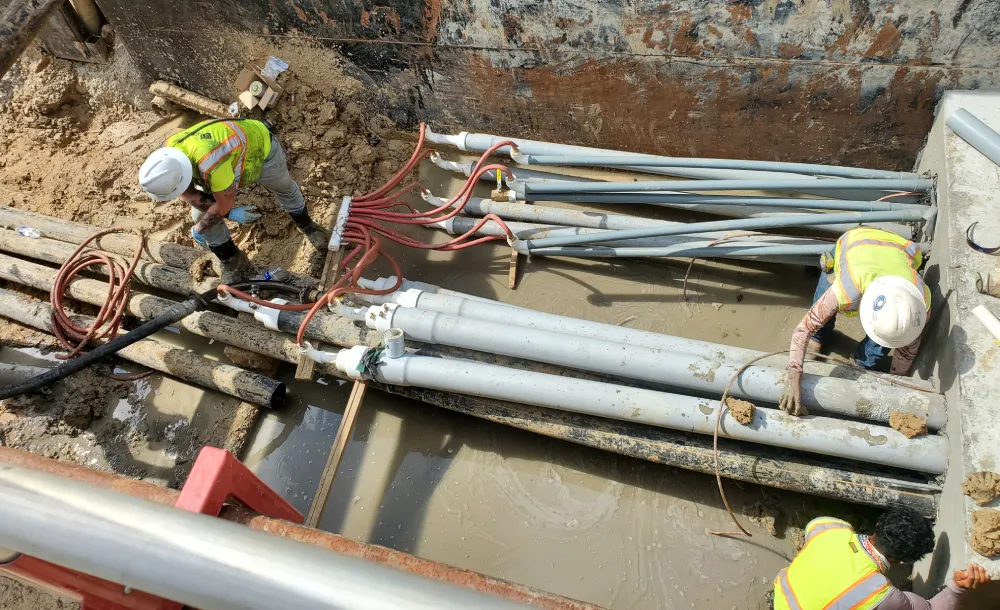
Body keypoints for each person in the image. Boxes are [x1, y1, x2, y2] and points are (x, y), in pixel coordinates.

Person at [137, 118, 327, 283]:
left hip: (258, 149)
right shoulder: (167, 157)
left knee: (283, 186)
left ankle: (309, 226)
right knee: (200, 215)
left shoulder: (211, 163)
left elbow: (224, 203)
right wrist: (205, 223)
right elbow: (189, 194)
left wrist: (207, 225)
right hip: (225, 161)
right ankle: (233, 263)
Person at [780, 227, 930, 415]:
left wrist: (896, 382)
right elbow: (803, 329)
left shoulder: (918, 304)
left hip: (900, 248)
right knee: (822, 301)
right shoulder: (847, 288)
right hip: (854, 244)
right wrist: (793, 374)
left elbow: (907, 351)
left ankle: (863, 362)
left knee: (890, 330)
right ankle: (818, 338)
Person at [773, 507, 990, 609]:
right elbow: (930, 609)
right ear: (903, 562)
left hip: (781, 597)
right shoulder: (878, 592)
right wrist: (957, 588)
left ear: (878, 525)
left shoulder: (828, 528)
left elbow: (813, 527)